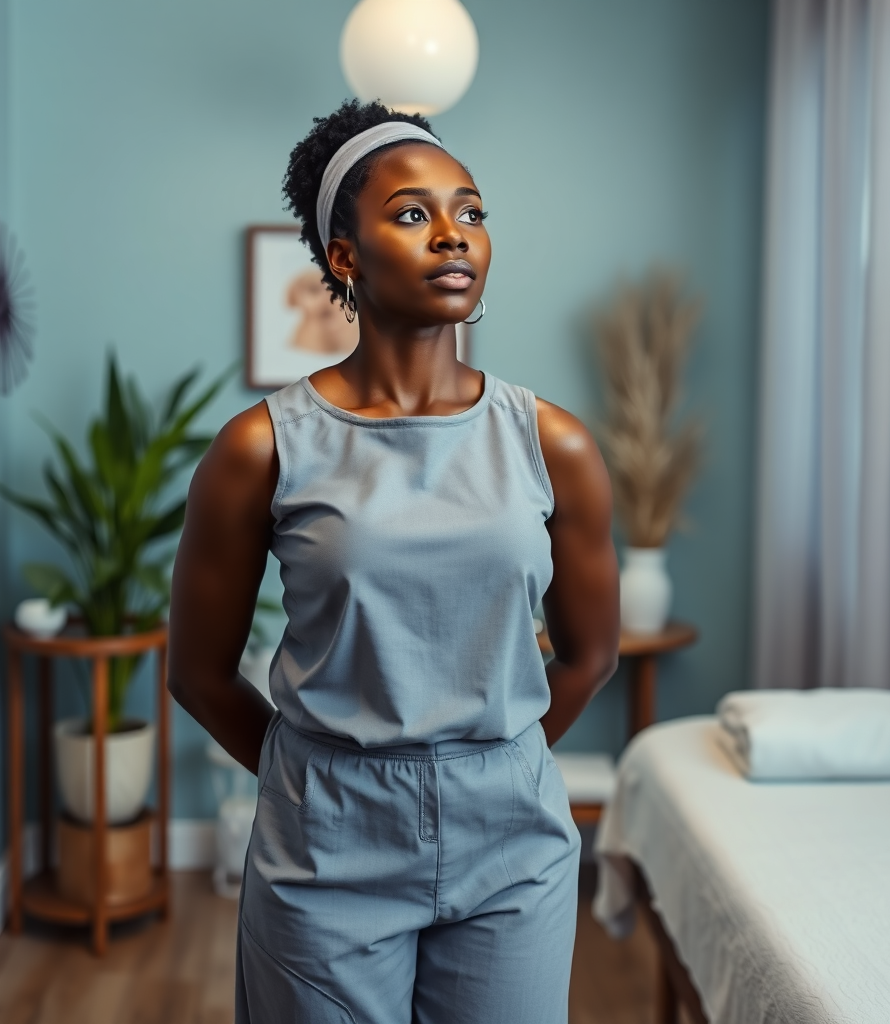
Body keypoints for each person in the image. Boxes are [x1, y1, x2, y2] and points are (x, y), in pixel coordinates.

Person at [167, 99, 619, 1024]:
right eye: (413, 214)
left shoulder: (554, 444)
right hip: (325, 842)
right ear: (345, 256)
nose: (453, 234)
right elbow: (198, 674)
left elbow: (590, 654)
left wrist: (495, 765)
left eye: (471, 212)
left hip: (512, 844)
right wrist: (320, 783)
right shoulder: (262, 448)